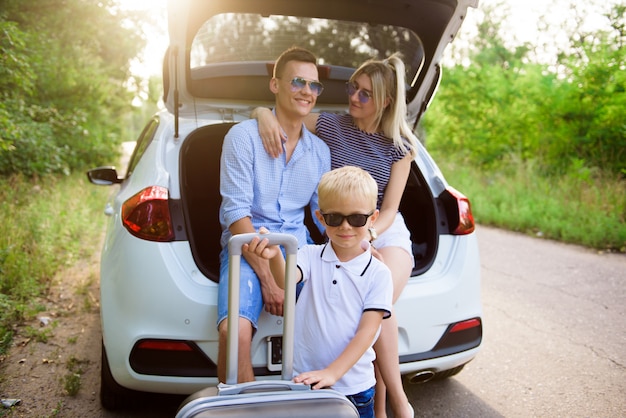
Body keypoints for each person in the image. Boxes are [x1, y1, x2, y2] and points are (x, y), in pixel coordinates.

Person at [252, 53, 417, 418]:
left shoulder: (401, 145)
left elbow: (389, 210)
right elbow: (284, 116)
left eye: (365, 94)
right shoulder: (330, 125)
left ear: (385, 101)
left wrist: (367, 235)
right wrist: (261, 114)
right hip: (344, 226)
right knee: (371, 307)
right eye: (352, 89)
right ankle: (379, 405)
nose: (354, 98)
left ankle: (395, 404)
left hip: (380, 229)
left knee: (382, 303)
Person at [217, 46, 331, 384]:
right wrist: (268, 279)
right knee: (233, 336)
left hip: (300, 251)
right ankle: (246, 408)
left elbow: (320, 215)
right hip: (247, 247)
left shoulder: (320, 152)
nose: (307, 92)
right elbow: (236, 213)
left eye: (314, 85)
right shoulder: (242, 138)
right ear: (275, 85)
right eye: (298, 82)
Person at [245, 166, 393, 418]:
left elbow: (368, 332)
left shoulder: (378, 273)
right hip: (305, 380)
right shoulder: (309, 255)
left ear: (373, 218)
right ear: (321, 218)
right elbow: (285, 279)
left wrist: (333, 372)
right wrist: (274, 257)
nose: (345, 226)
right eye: (335, 218)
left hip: (354, 388)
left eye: (356, 218)